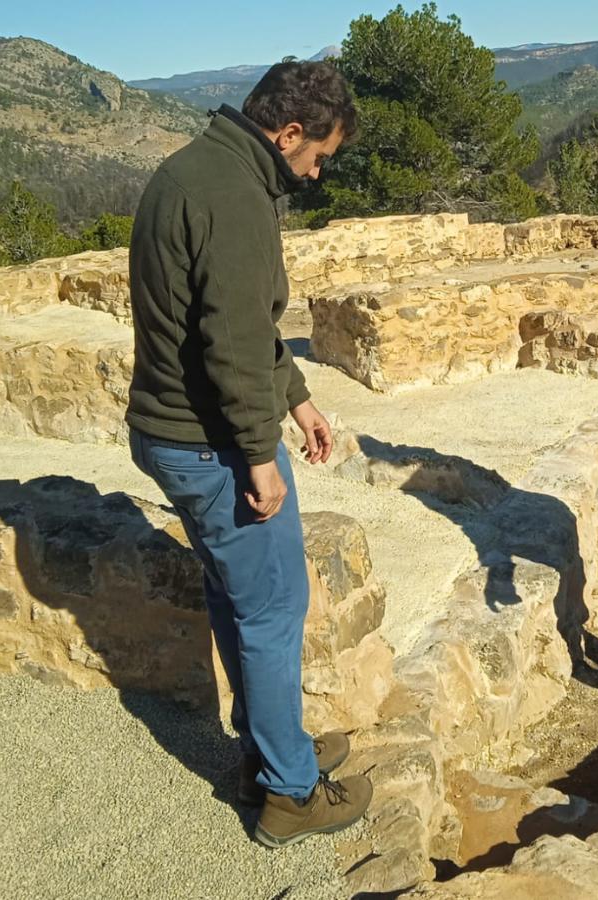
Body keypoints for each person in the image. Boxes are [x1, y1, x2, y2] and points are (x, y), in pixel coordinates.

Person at [125, 59, 372, 848]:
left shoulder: (205, 168)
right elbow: (230, 344)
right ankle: (292, 794)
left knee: (241, 600)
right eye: (319, 153)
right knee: (271, 610)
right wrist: (259, 454)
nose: (318, 169)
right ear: (289, 132)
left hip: (184, 435)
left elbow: (243, 325)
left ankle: (271, 753)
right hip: (210, 443)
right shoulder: (231, 195)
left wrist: (297, 398)